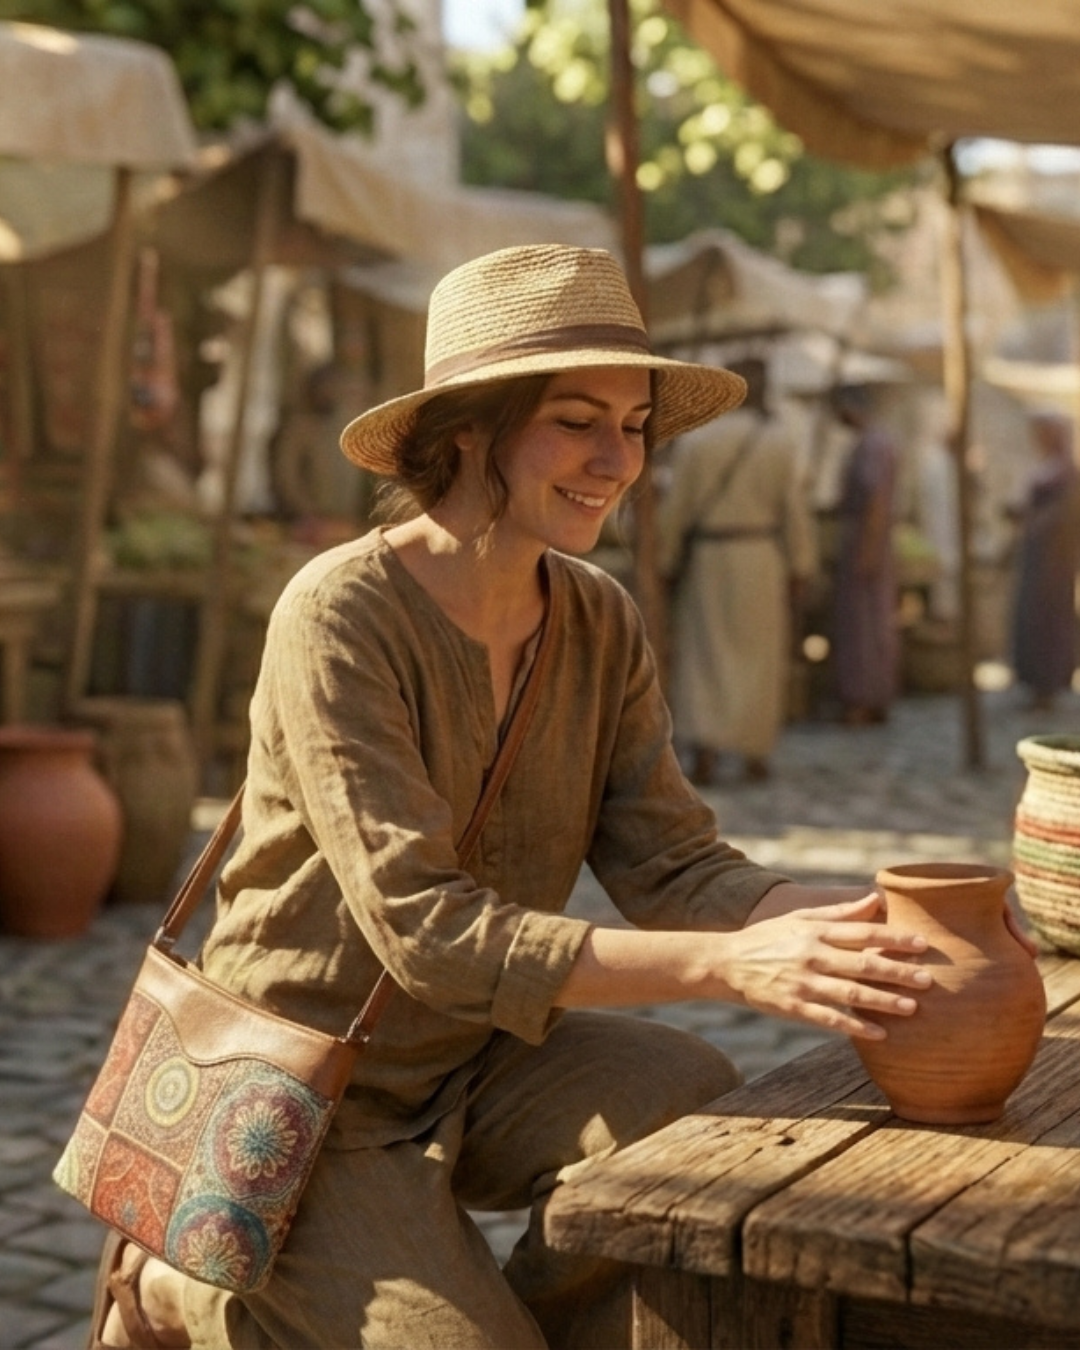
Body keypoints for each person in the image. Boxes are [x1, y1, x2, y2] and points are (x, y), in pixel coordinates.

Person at [93, 245, 939, 1350]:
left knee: (690, 1103)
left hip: (482, 1057)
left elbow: (672, 862)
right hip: (302, 1098)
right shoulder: (338, 613)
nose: (616, 461)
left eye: (634, 427)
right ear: (466, 434)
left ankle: (448, 1303)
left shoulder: (599, 617)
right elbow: (426, 932)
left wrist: (846, 918)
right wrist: (729, 965)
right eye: (577, 421)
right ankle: (189, 1286)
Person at [657, 357, 817, 784]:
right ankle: (753, 752)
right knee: (757, 656)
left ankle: (707, 749)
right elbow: (794, 513)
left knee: (707, 653)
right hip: (760, 559)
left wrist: (666, 561)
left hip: (712, 560)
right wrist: (801, 565)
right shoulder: (778, 442)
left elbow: (677, 510)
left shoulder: (698, 441)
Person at [829, 383, 900, 725]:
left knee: (863, 626)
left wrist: (867, 550)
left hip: (866, 544)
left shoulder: (873, 445)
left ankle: (863, 699)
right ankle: (873, 697)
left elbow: (875, 500)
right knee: (872, 623)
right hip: (870, 542)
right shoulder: (874, 442)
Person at [1007, 409, 1080, 710]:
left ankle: (1049, 682)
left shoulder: (1066, 472)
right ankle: (1036, 681)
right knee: (1031, 615)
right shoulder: (1045, 468)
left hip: (1055, 557)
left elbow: (1065, 514)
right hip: (1036, 554)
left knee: (1050, 617)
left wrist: (1036, 524)